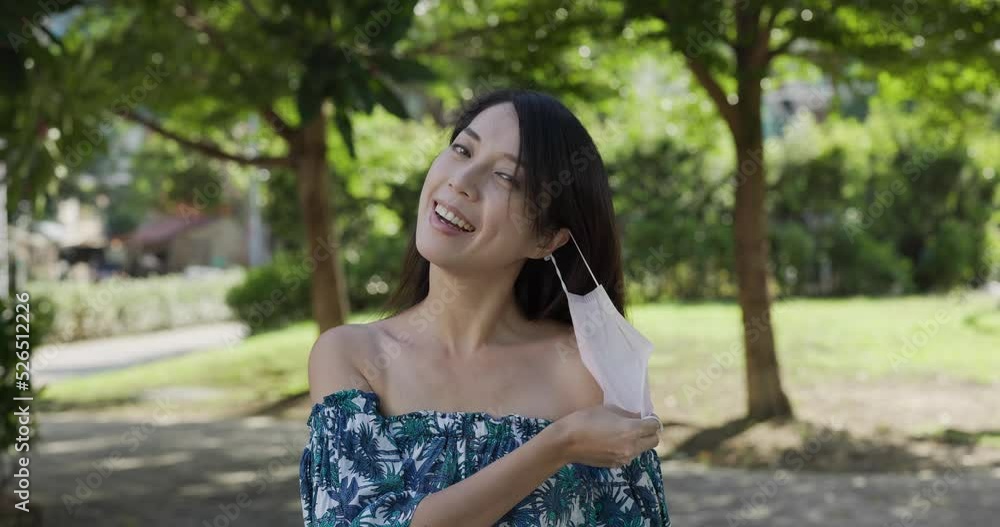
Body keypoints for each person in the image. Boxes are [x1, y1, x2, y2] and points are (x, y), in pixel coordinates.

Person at [299, 88, 671, 526]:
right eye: (462, 150)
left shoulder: (587, 369)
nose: (461, 180)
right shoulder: (353, 356)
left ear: (547, 238)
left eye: (506, 177)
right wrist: (558, 444)